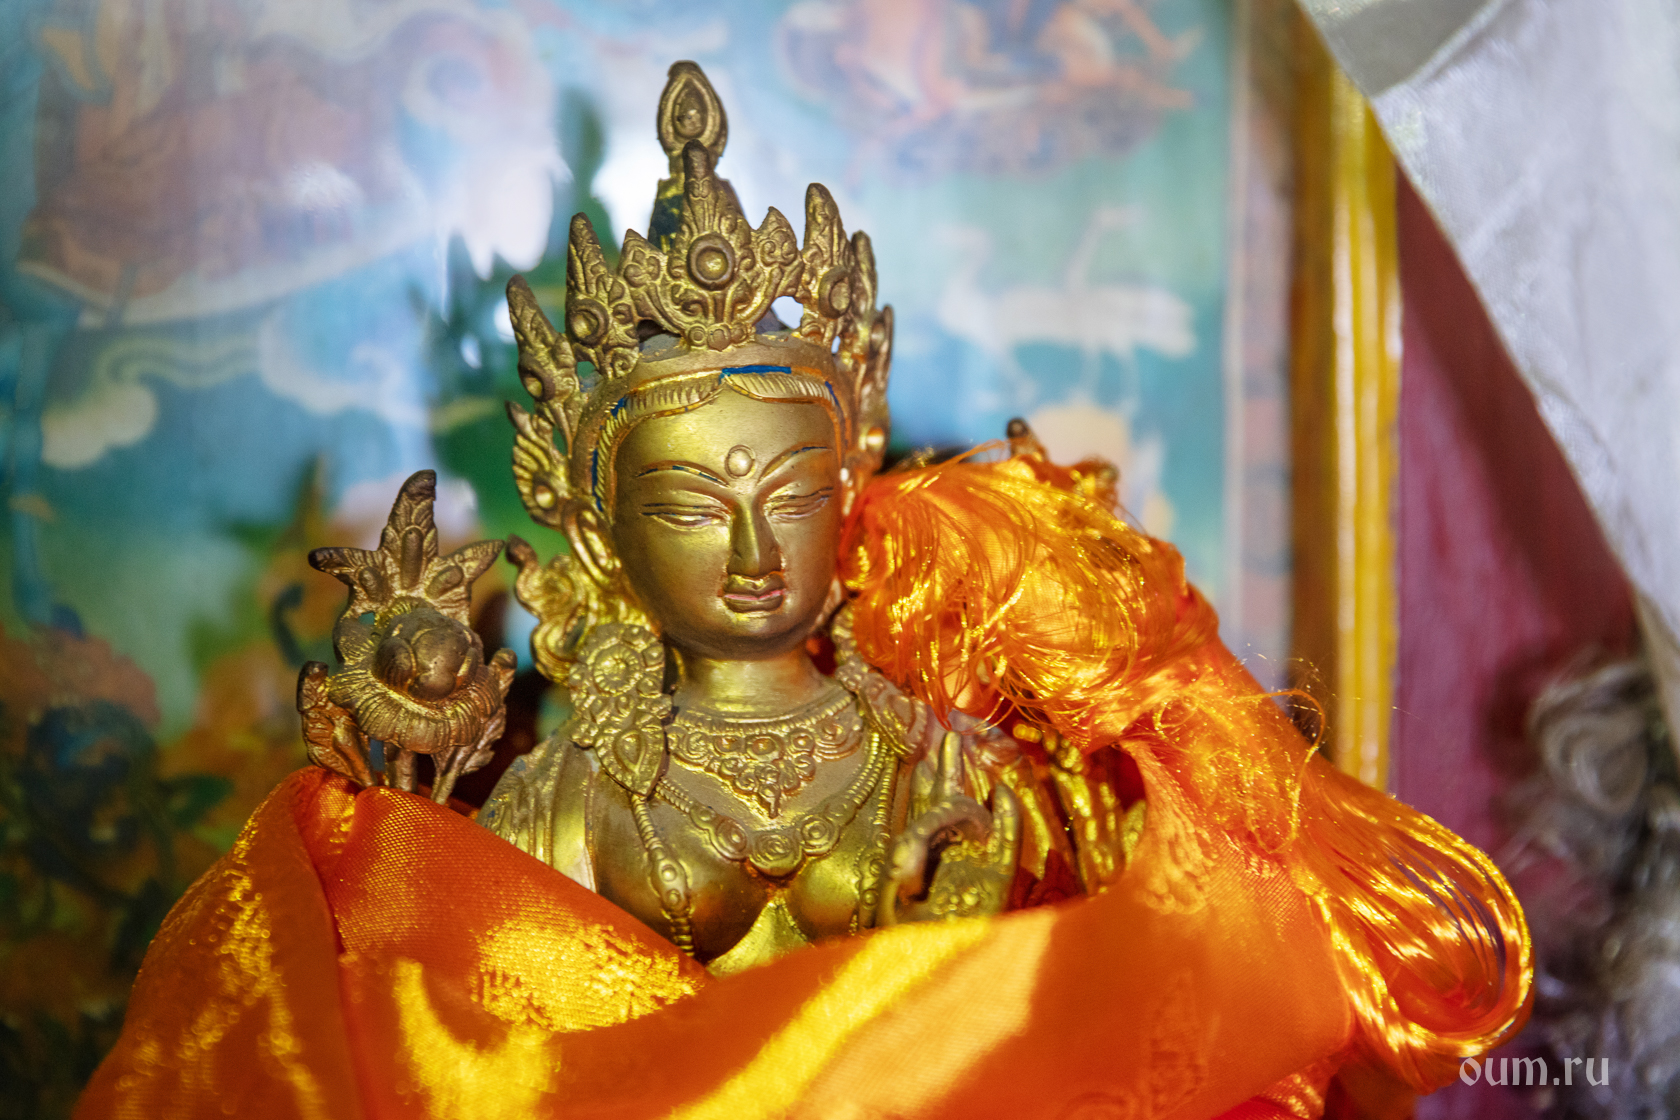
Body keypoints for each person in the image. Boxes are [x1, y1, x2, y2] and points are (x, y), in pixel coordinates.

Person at [77, 62, 1530, 1120]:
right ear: (601, 533)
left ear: (850, 486)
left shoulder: (958, 771)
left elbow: (1065, 1035)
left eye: (789, 494)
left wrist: (1007, 899)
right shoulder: (562, 798)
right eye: (690, 506)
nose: (754, 547)